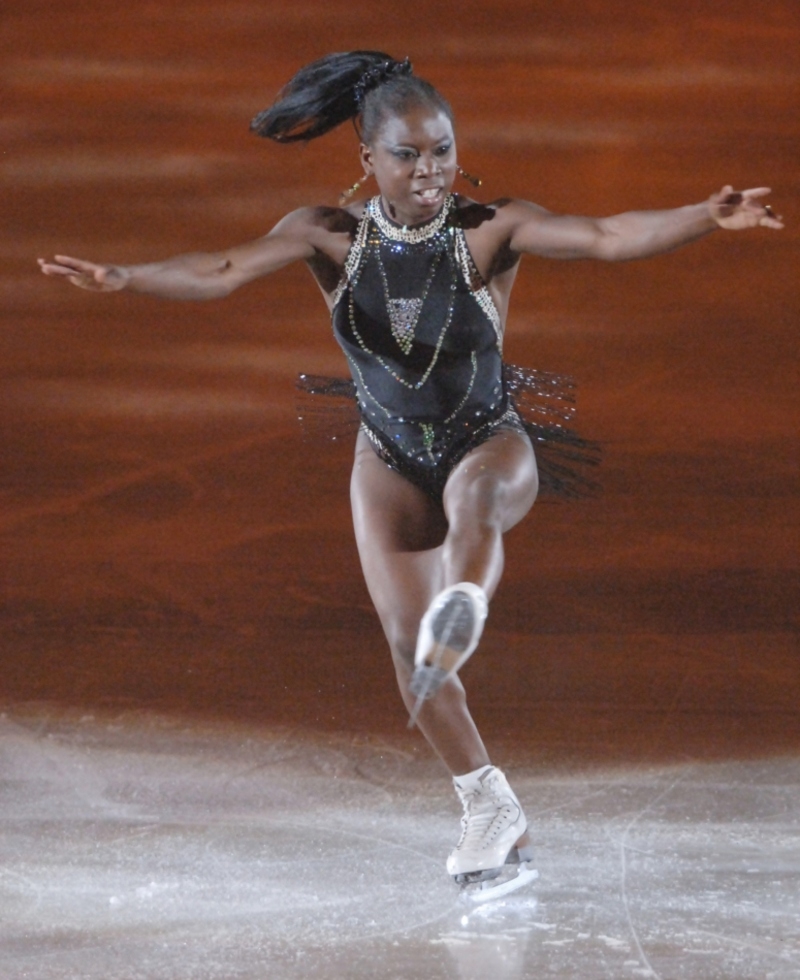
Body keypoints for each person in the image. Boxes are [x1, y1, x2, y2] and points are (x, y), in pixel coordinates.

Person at [39, 51, 782, 900]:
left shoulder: (489, 228)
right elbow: (221, 268)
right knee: (406, 648)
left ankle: (463, 604)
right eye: (407, 155)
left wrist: (703, 214)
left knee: (476, 505)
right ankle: (487, 804)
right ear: (368, 160)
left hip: (487, 437)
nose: (429, 171)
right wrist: (127, 277)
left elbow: (607, 235)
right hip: (386, 454)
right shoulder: (326, 234)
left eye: (442, 151)